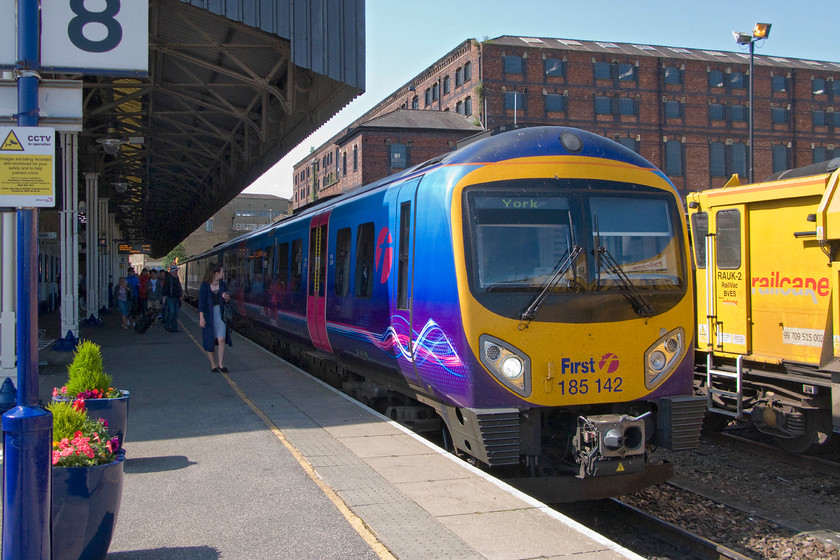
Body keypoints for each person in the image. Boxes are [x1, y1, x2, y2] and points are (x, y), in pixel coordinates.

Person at [198, 263, 232, 372]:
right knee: (210, 340)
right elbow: (201, 303)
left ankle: (221, 364)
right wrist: (201, 318)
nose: (223, 274)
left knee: (221, 338)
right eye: (222, 272)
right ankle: (213, 364)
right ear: (216, 273)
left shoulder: (222, 285)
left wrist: (226, 298)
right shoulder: (204, 286)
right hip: (209, 315)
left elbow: (228, 299)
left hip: (220, 314)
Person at [162, 263, 183, 332]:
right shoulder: (168, 278)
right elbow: (165, 288)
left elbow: (179, 288)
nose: (177, 272)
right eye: (176, 270)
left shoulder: (177, 278)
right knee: (172, 311)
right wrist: (164, 297)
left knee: (175, 313)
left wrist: (180, 295)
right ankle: (167, 325)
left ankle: (174, 328)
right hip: (170, 297)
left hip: (176, 297)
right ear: (172, 271)